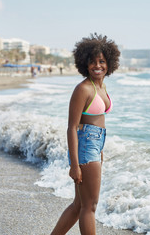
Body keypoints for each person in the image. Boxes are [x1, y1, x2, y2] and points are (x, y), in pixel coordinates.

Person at [51, 33, 120, 235]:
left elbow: (98, 123)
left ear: (110, 63)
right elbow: (72, 127)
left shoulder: (101, 86)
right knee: (89, 207)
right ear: (84, 64)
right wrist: (74, 165)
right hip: (85, 145)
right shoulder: (83, 89)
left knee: (79, 205)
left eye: (102, 61)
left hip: (94, 144)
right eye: (92, 62)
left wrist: (99, 149)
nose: (97, 66)